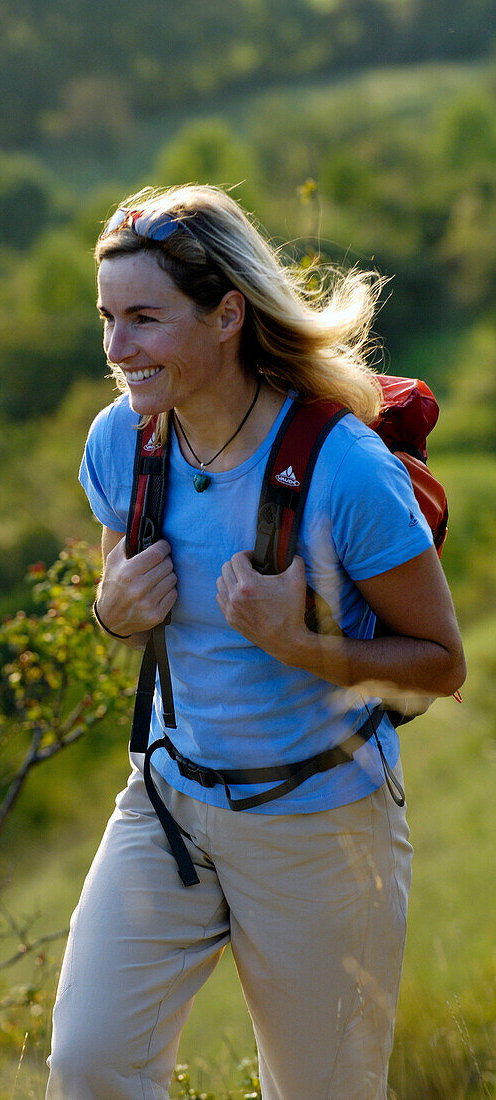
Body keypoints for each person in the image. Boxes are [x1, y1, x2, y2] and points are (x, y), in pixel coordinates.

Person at [45, 185, 465, 1100]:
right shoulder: (123, 441)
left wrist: (305, 643)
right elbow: (120, 600)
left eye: (145, 319)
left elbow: (440, 663)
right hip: (167, 803)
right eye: (107, 319)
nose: (117, 350)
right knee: (88, 1067)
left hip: (321, 822)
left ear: (226, 314)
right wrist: (111, 609)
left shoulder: (342, 467)